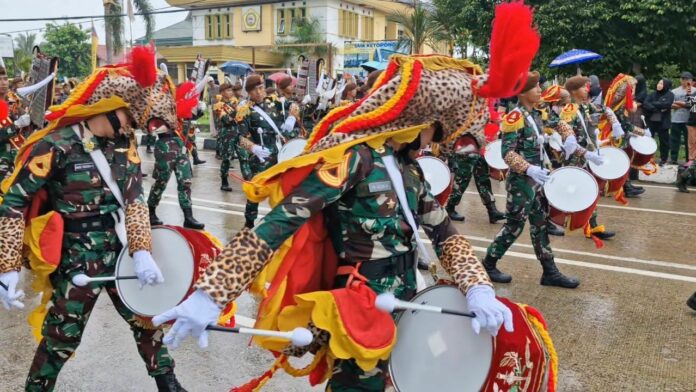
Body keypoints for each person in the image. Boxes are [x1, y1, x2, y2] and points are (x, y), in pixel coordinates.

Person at [152, 53, 528, 391]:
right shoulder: (353, 161)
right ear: (416, 119)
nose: (434, 140)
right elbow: (277, 224)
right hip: (359, 305)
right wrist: (212, 293)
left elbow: (444, 233)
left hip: (407, 297)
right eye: (434, 129)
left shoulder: (409, 170)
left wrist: (477, 286)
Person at [0, 48, 186, 391]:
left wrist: (142, 250)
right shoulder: (56, 144)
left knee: (146, 321)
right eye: (128, 116)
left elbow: (134, 199)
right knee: (61, 337)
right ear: (108, 107)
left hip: (119, 251)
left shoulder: (123, 143)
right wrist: (7, 264)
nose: (131, 125)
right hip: (75, 259)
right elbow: (14, 201)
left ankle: (169, 384)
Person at [482, 71, 583, 289]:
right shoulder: (514, 118)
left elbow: (558, 123)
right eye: (535, 87)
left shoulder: (537, 114)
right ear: (523, 93)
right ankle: (488, 264)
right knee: (514, 226)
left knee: (540, 226)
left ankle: (550, 271)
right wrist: (528, 169)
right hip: (521, 183)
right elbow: (507, 153)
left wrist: (569, 136)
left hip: (537, 182)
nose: (540, 90)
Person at [561, 75, 618, 241]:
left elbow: (605, 109)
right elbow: (569, 143)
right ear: (573, 91)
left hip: (588, 157)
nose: (587, 89)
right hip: (575, 159)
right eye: (582, 87)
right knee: (570, 193)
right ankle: (553, 221)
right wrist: (587, 154)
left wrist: (615, 123)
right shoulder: (568, 111)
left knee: (590, 192)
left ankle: (592, 226)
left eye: (587, 86)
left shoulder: (586, 107)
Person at [147, 81, 206, 230]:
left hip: (180, 146)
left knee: (185, 182)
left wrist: (199, 110)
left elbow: (191, 117)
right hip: (165, 146)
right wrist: (158, 127)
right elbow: (149, 124)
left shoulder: (181, 106)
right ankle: (150, 212)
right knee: (161, 182)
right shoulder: (159, 106)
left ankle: (188, 217)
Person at [234, 75, 284, 228]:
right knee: (255, 189)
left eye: (261, 88)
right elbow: (240, 138)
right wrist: (253, 148)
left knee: (281, 187)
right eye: (254, 90)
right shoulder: (245, 111)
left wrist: (291, 120)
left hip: (277, 153)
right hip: (259, 157)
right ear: (249, 92)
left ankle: (281, 220)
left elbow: (292, 110)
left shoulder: (274, 103)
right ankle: (249, 222)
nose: (259, 92)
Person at [213, 82, 238, 192]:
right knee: (227, 159)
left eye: (231, 90)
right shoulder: (219, 105)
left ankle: (248, 178)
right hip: (226, 134)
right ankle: (224, 182)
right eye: (228, 90)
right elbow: (226, 120)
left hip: (238, 133)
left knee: (244, 157)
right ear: (222, 92)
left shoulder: (234, 103)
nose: (231, 92)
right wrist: (236, 110)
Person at [643, 78, 675, 165]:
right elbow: (645, 103)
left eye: (661, 83)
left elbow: (667, 104)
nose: (659, 85)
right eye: (658, 83)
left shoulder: (670, 94)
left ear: (666, 85)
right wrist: (656, 108)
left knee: (664, 141)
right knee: (649, 139)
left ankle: (663, 159)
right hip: (651, 121)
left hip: (663, 121)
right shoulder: (652, 94)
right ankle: (647, 158)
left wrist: (653, 104)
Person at [670, 72, 693, 164]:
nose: (685, 81)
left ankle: (689, 160)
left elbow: (691, 104)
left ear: (691, 80)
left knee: (689, 141)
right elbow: (670, 104)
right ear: (680, 80)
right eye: (683, 79)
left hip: (689, 120)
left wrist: (679, 103)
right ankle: (673, 159)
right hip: (676, 119)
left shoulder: (694, 91)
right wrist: (684, 104)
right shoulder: (674, 91)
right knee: (675, 140)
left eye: (687, 79)